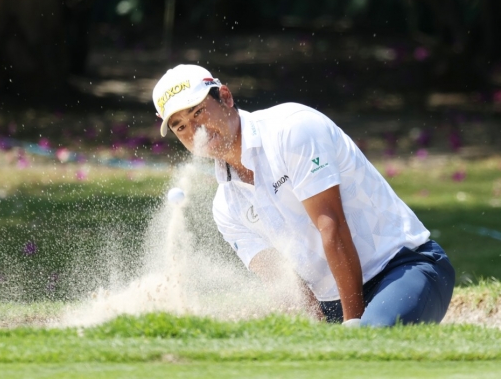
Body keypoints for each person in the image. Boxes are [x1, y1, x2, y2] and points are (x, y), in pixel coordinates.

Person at [151, 64, 455, 327]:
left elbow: (331, 225)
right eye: (181, 127)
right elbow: (286, 283)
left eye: (199, 112)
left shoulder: (292, 129)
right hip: (332, 301)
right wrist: (318, 337)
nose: (195, 130)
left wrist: (352, 324)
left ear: (226, 97)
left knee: (367, 345)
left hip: (403, 267)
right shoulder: (226, 208)